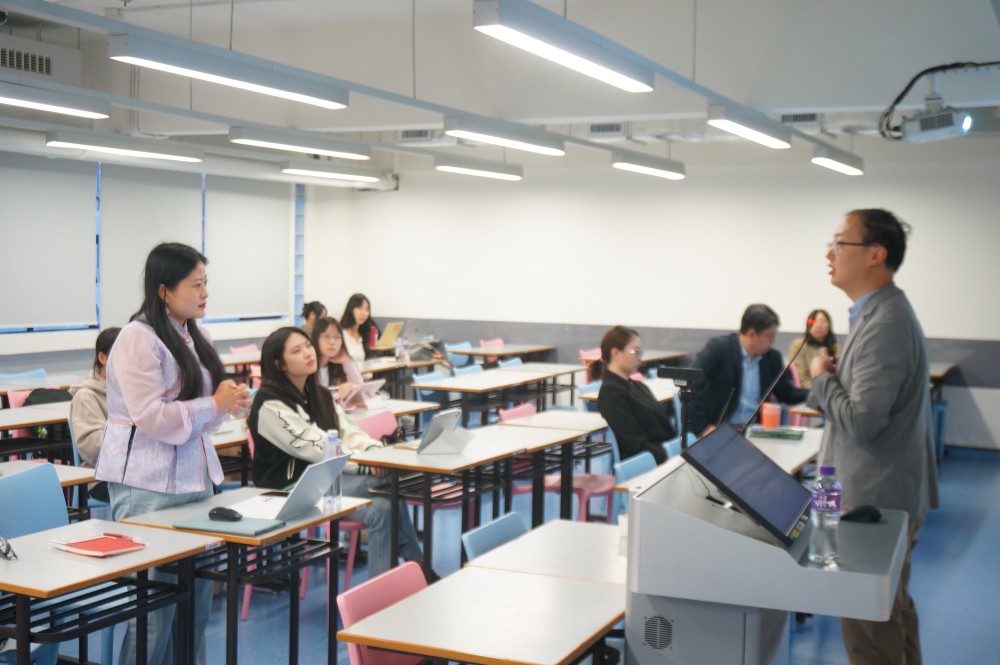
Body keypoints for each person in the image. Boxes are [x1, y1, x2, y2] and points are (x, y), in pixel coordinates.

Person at [94, 242, 251, 665]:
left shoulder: (198, 336)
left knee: (195, 610)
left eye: (206, 283)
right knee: (155, 616)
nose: (205, 293)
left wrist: (226, 405)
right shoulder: (137, 339)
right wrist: (212, 405)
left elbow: (203, 422)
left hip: (194, 483)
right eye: (196, 284)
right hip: (146, 488)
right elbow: (151, 419)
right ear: (163, 290)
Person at [806, 209, 938, 665]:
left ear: (875, 255)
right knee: (890, 610)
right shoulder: (875, 313)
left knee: (869, 626)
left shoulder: (884, 323)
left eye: (840, 243)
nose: (830, 253)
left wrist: (820, 379)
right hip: (880, 491)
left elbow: (862, 422)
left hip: (871, 499)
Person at [247, 327, 424, 580]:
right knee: (388, 480)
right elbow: (317, 447)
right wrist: (366, 465)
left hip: (327, 482)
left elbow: (349, 431)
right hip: (290, 490)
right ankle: (419, 565)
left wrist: (373, 451)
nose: (308, 353)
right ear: (280, 364)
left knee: (384, 507)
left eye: (308, 345)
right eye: (297, 351)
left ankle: (387, 590)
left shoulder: (319, 394)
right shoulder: (269, 404)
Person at [689, 304, 809, 437]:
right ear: (752, 333)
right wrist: (703, 428)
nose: (773, 341)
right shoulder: (718, 349)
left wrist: (815, 394)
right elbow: (692, 384)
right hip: (719, 430)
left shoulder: (772, 358)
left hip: (755, 431)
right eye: (770, 336)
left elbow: (786, 393)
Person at [595, 326, 676, 464]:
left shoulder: (638, 386)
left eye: (640, 351)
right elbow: (635, 444)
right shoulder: (611, 393)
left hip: (662, 453)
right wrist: (668, 457)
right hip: (647, 464)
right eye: (635, 351)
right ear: (616, 353)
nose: (640, 357)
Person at [68, 326, 121, 502]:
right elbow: (92, 448)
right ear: (102, 358)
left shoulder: (131, 390)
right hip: (101, 478)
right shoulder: (86, 396)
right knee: (151, 491)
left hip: (130, 471)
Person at [312, 316, 365, 407]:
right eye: (326, 336)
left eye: (337, 337)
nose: (332, 342)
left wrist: (347, 361)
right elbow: (313, 402)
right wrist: (338, 395)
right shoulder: (308, 367)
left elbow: (359, 389)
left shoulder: (338, 366)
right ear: (316, 339)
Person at [787, 309, 840, 389]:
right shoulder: (799, 345)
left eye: (823, 322)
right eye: (814, 322)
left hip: (835, 390)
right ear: (808, 325)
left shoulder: (836, 347)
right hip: (811, 391)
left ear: (829, 325)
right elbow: (803, 380)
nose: (819, 325)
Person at [340, 293, 379, 364]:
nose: (363, 313)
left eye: (366, 309)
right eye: (360, 308)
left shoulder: (363, 334)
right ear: (351, 309)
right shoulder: (341, 334)